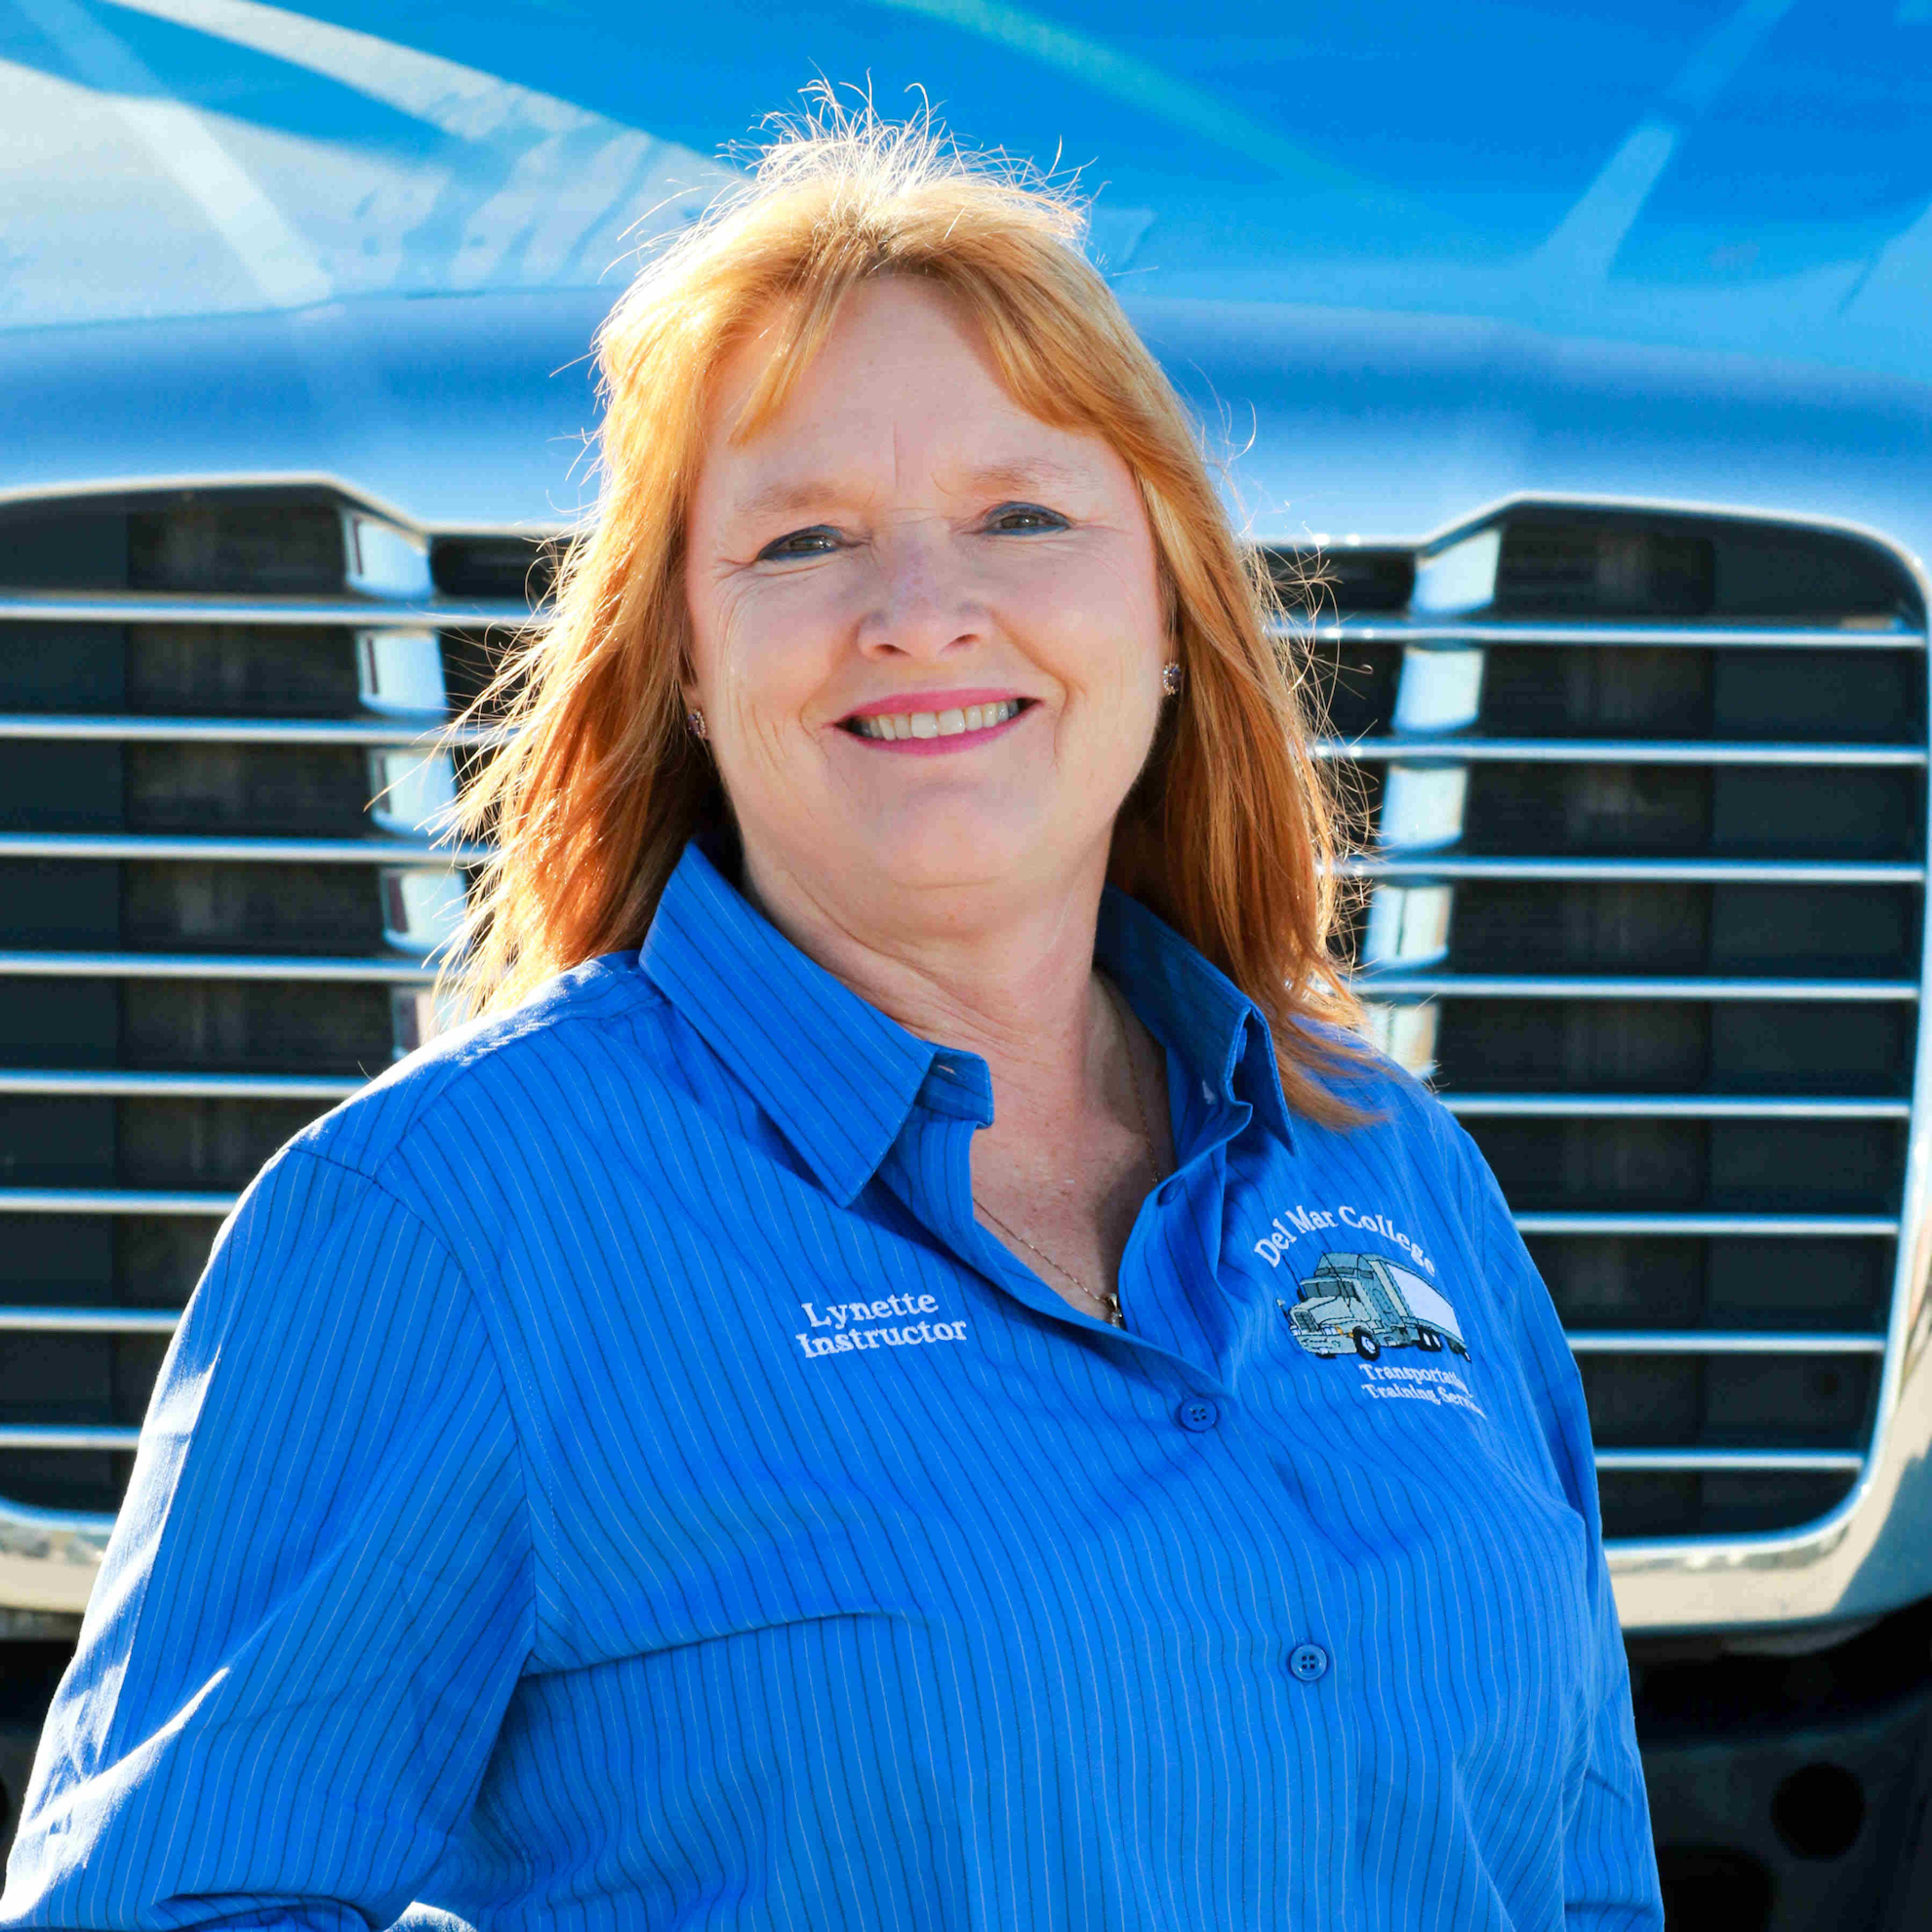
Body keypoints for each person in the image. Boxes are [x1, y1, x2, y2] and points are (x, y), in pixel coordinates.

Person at [0, 107, 1663, 1930]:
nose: (922, 614)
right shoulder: (448, 1224)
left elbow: (1579, 1878)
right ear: (688, 666)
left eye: (1022, 515)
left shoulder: (1396, 1168)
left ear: (1173, 615)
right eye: (803, 543)